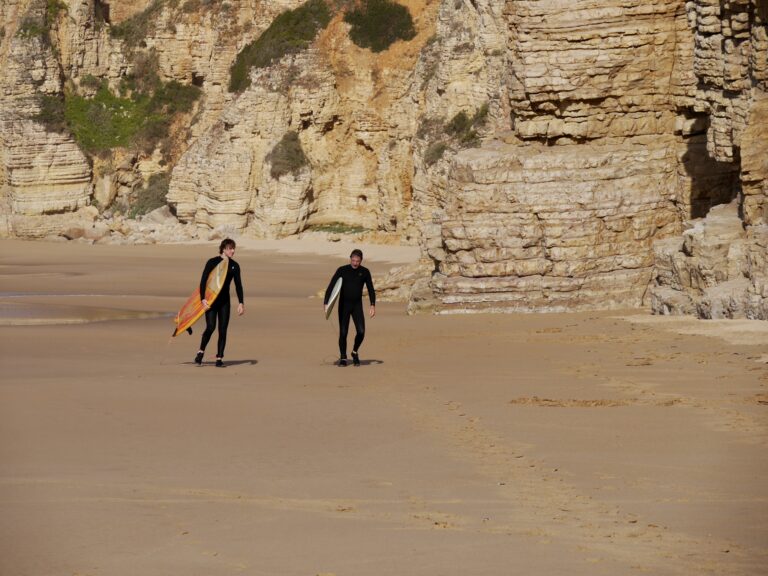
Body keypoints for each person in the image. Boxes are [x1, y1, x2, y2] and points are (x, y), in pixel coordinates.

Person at [194, 238, 244, 367]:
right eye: (230, 248)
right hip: (211, 301)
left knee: (223, 330)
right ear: (223, 249)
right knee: (210, 327)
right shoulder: (212, 262)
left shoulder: (234, 265)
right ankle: (200, 351)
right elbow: (203, 281)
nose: (233, 251)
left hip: (224, 302)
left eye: (233, 248)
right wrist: (203, 299)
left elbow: (238, 285)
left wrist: (241, 303)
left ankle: (219, 358)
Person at [324, 249, 375, 367]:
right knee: (343, 333)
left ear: (361, 260)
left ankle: (354, 352)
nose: (355, 263)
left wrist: (372, 305)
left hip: (357, 306)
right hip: (344, 306)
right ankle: (343, 358)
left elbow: (371, 289)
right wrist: (326, 303)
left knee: (361, 332)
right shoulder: (342, 270)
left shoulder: (365, 272)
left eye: (357, 261)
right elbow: (331, 286)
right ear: (350, 259)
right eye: (353, 260)